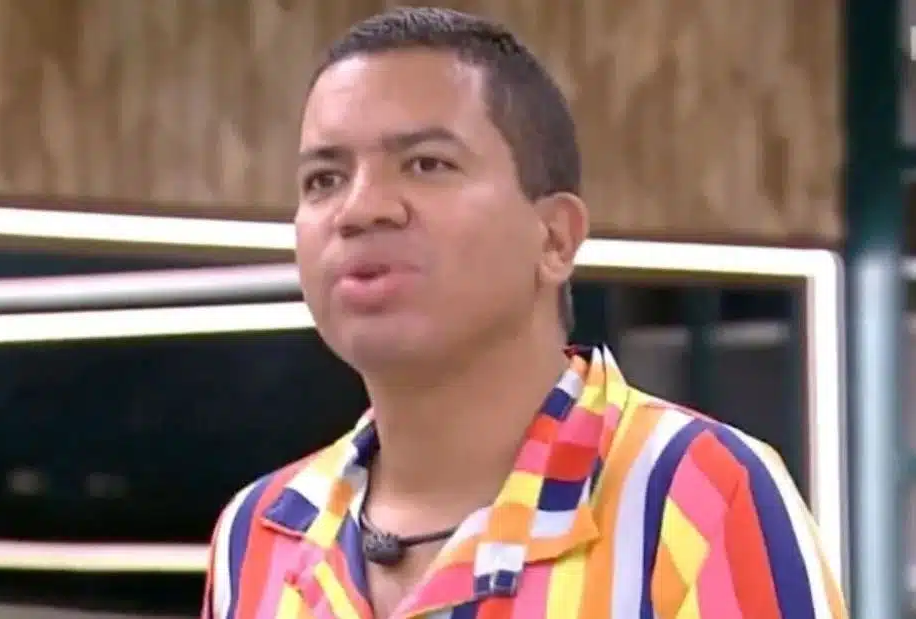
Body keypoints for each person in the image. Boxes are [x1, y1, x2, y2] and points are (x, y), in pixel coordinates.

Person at [202, 7, 848, 618]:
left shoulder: (695, 493)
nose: (361, 209)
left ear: (556, 238)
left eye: (426, 164)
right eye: (324, 179)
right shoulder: (259, 533)